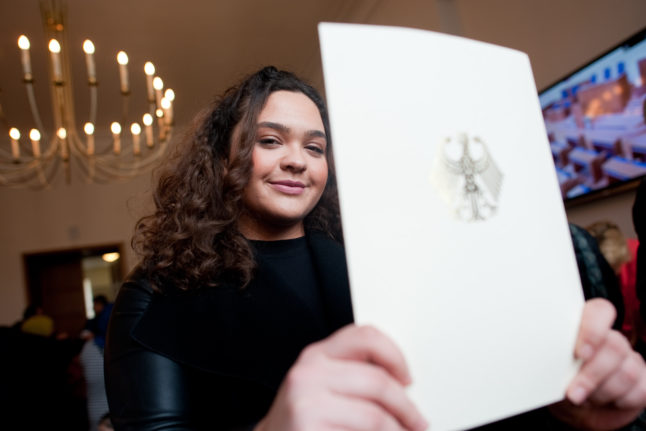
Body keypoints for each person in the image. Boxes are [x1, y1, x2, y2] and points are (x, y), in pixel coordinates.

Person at [105, 66, 646, 431]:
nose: (297, 160)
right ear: (223, 159)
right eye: (270, 141)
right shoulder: (155, 295)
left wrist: (561, 403)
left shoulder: (382, 265)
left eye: (314, 147)